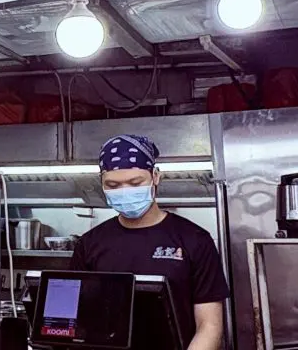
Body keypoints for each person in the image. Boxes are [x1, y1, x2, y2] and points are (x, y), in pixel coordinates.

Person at [70, 134, 228, 350]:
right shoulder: (89, 244)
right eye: (113, 185)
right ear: (102, 183)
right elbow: (78, 320)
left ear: (155, 176)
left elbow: (209, 325)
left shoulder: (194, 240)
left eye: (135, 183)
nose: (125, 191)